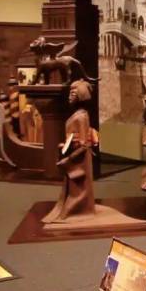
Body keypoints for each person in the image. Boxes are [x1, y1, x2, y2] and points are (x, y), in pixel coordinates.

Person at [42, 79, 99, 224]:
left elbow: (84, 145)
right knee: (73, 187)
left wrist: (70, 158)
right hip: (75, 154)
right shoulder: (78, 115)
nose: (69, 97)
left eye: (73, 94)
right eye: (69, 93)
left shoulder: (82, 117)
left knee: (79, 188)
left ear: (80, 96)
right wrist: (65, 146)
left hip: (80, 158)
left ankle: (78, 210)